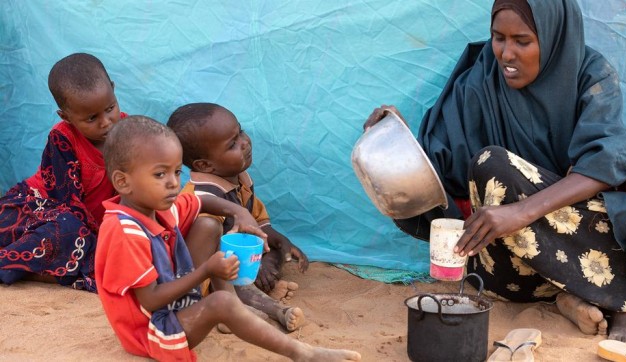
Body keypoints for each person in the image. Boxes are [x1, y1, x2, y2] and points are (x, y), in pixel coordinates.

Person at [364, 0, 626, 349]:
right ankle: (612, 302)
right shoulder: (480, 83)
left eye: (522, 41)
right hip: (516, 261)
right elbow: (442, 175)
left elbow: (609, 159)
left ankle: (579, 295)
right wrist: (397, 142)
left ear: (554, 36)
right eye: (499, 38)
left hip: (590, 221)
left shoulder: (591, 75)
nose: (506, 53)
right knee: (491, 166)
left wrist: (524, 210)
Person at [96, 115, 361, 362]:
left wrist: (239, 212)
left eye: (177, 172)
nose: (173, 184)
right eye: (160, 174)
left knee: (209, 225)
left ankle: (232, 313)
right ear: (122, 182)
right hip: (154, 331)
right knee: (221, 300)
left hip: (177, 304)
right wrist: (206, 271)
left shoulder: (157, 208)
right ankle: (302, 353)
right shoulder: (124, 233)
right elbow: (151, 300)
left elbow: (201, 202)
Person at [166, 103, 308, 331]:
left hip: (238, 258)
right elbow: (198, 259)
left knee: (278, 251)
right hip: (209, 275)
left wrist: (280, 241)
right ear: (205, 165)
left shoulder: (239, 178)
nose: (245, 142)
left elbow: (257, 220)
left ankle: (260, 283)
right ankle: (271, 310)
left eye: (240, 131)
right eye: (232, 144)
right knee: (236, 281)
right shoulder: (202, 197)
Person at [0, 53, 126, 291]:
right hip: (33, 210)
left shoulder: (131, 134)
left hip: (79, 228)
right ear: (66, 116)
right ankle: (9, 264)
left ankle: (40, 268)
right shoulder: (63, 139)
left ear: (113, 89)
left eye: (110, 108)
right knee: (68, 229)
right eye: (91, 118)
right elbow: (68, 202)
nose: (106, 122)